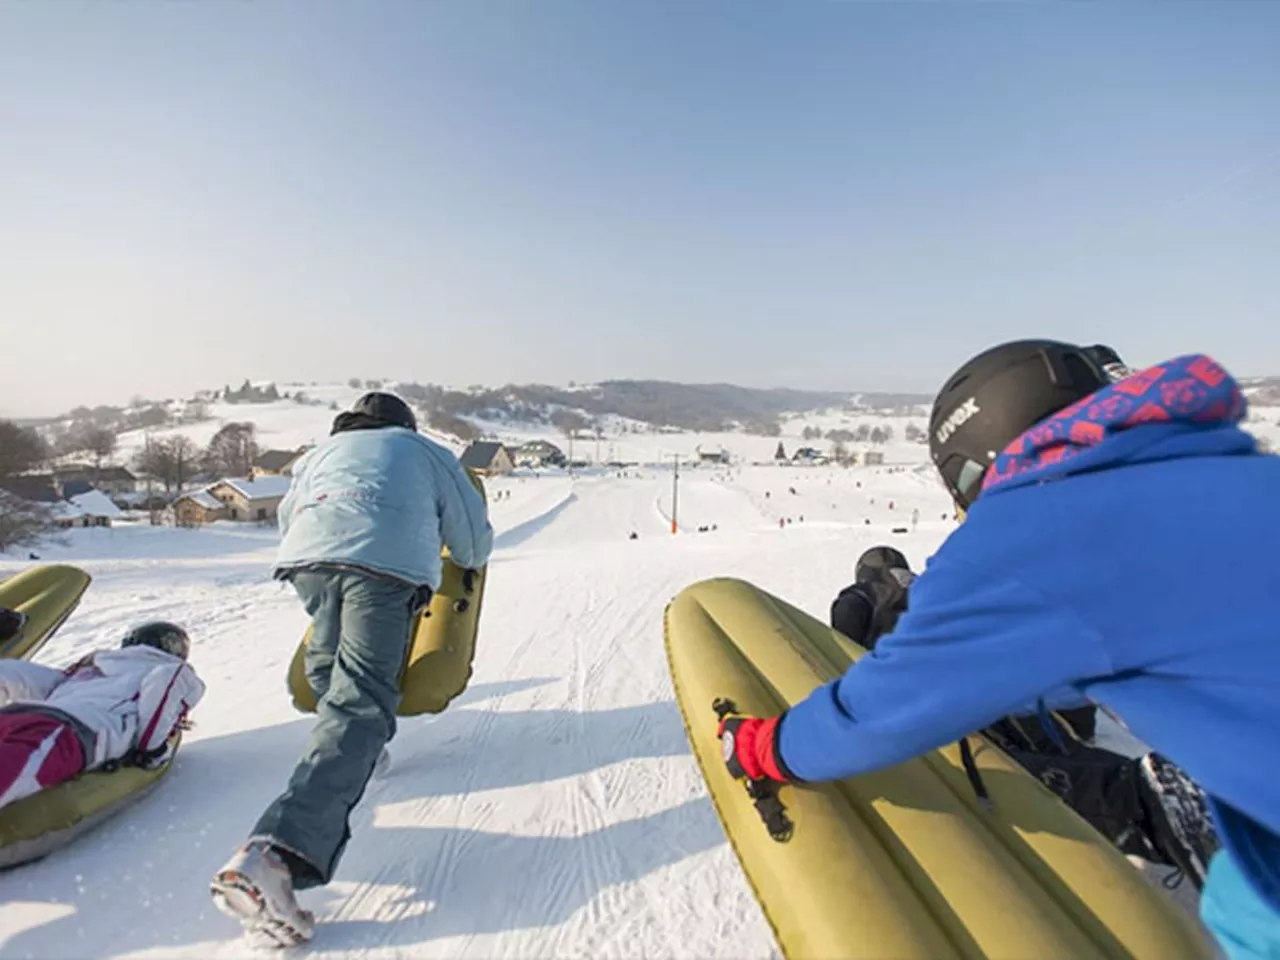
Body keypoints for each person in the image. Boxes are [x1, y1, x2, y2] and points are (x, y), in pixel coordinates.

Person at [717, 342, 1278, 959]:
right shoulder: (1221, 471)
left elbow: (883, 711)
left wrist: (766, 746)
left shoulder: (1042, 521)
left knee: (1239, 892)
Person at [211, 391, 494, 947]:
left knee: (330, 665)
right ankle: (278, 852)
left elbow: (291, 516)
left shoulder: (322, 451)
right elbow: (470, 537)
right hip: (382, 570)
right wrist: (467, 562)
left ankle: (360, 752)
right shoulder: (425, 450)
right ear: (404, 424)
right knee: (361, 701)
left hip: (307, 562)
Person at [832, 545, 1217, 884]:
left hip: (945, 705)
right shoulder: (924, 588)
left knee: (1012, 772)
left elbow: (846, 635)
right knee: (1053, 750)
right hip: (1004, 686)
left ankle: (1148, 806)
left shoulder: (869, 597)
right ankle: (1157, 796)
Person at [0, 621, 203, 809]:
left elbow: (13, 673)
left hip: (15, 714)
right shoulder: (172, 669)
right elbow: (164, 686)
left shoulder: (95, 666)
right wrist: (151, 748)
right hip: (71, 729)